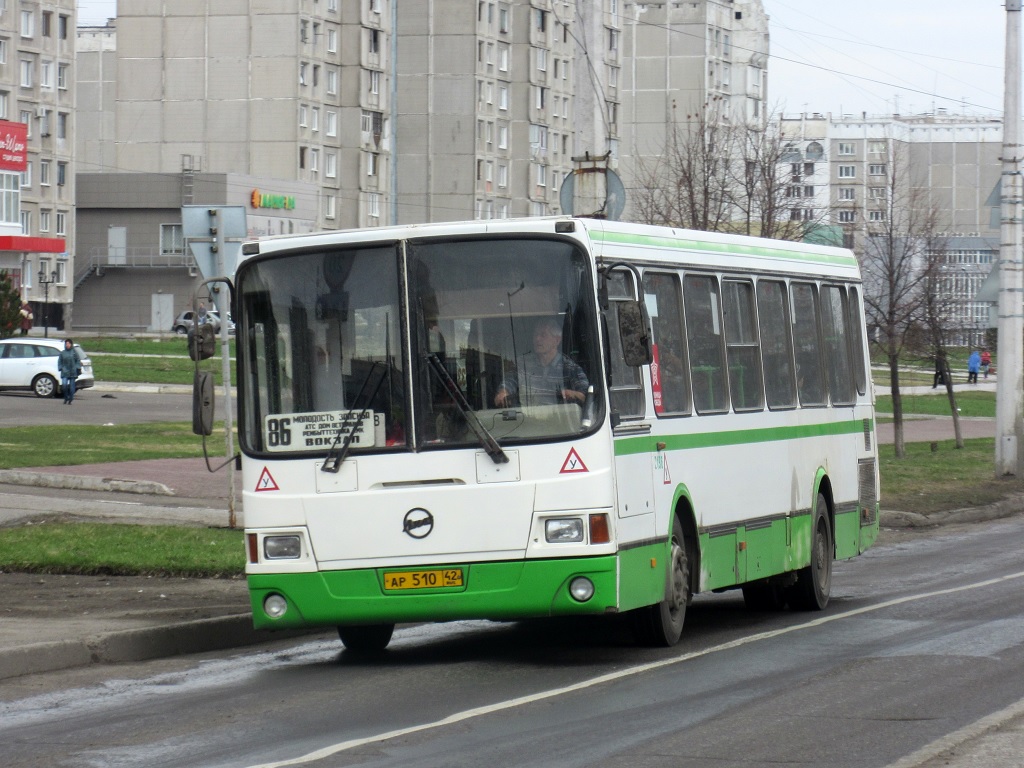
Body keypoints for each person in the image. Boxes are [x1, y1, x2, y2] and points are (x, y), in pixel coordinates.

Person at [494, 317, 589, 407]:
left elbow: (587, 396)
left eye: (543, 335)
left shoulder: (571, 368)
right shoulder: (522, 364)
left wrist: (572, 394)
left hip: (559, 421)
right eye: (535, 335)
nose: (537, 339)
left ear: (556, 340)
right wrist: (503, 392)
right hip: (526, 420)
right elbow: (510, 381)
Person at [57, 338, 81, 404]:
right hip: (65, 371)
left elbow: (77, 360)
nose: (67, 345)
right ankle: (65, 397)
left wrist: (77, 367)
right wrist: (60, 367)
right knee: (64, 385)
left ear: (71, 344)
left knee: (72, 387)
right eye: (66, 344)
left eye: (69, 343)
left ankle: (71, 398)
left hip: (72, 371)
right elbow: (60, 361)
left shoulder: (74, 352)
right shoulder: (63, 353)